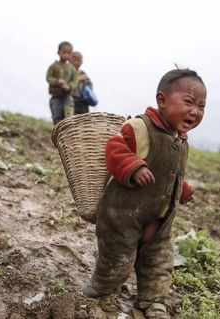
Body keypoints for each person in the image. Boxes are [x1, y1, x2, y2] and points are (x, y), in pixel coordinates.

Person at [83, 68, 206, 318]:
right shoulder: (139, 128)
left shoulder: (180, 140)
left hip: (158, 220)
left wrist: (182, 188)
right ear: (162, 100)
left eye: (202, 106)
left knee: (159, 262)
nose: (195, 111)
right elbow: (114, 148)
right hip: (122, 216)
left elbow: (171, 172)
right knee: (117, 260)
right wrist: (133, 166)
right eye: (189, 102)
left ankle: (152, 300)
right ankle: (100, 288)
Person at [46, 41, 77, 124]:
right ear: (59, 52)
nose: (66, 55)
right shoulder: (53, 66)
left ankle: (68, 132)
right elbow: (48, 78)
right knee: (57, 118)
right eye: (64, 52)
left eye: (69, 53)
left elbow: (75, 81)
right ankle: (59, 133)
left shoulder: (72, 69)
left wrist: (69, 86)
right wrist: (58, 81)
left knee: (69, 116)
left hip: (67, 96)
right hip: (56, 96)